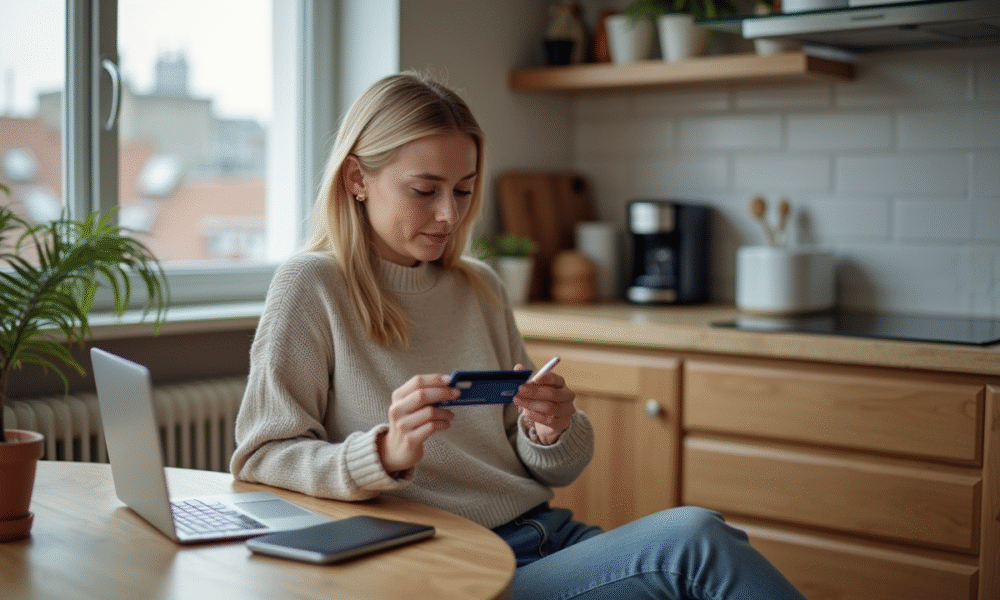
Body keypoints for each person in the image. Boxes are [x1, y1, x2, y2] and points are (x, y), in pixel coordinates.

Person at [231, 71, 806, 600]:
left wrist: (550, 430)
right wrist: (383, 452)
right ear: (358, 178)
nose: (449, 215)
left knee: (710, 547)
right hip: (453, 563)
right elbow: (260, 455)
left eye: (463, 190)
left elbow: (546, 468)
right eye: (424, 190)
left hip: (547, 536)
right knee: (695, 543)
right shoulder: (313, 286)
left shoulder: (478, 286)